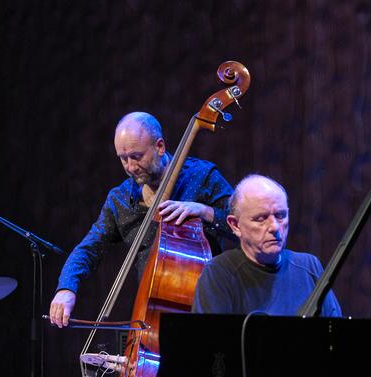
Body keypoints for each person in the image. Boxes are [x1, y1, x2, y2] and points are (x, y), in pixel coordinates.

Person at [49, 111, 234, 327]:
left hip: (209, 312)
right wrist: (66, 288)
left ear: (160, 147)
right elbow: (89, 248)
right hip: (151, 322)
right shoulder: (120, 200)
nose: (129, 167)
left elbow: (242, 227)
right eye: (123, 158)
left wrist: (205, 211)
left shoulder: (202, 176)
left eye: (136, 156)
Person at [192, 174, 342, 317]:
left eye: (280, 215)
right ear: (235, 225)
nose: (275, 227)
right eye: (261, 218)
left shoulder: (309, 267)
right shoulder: (218, 273)